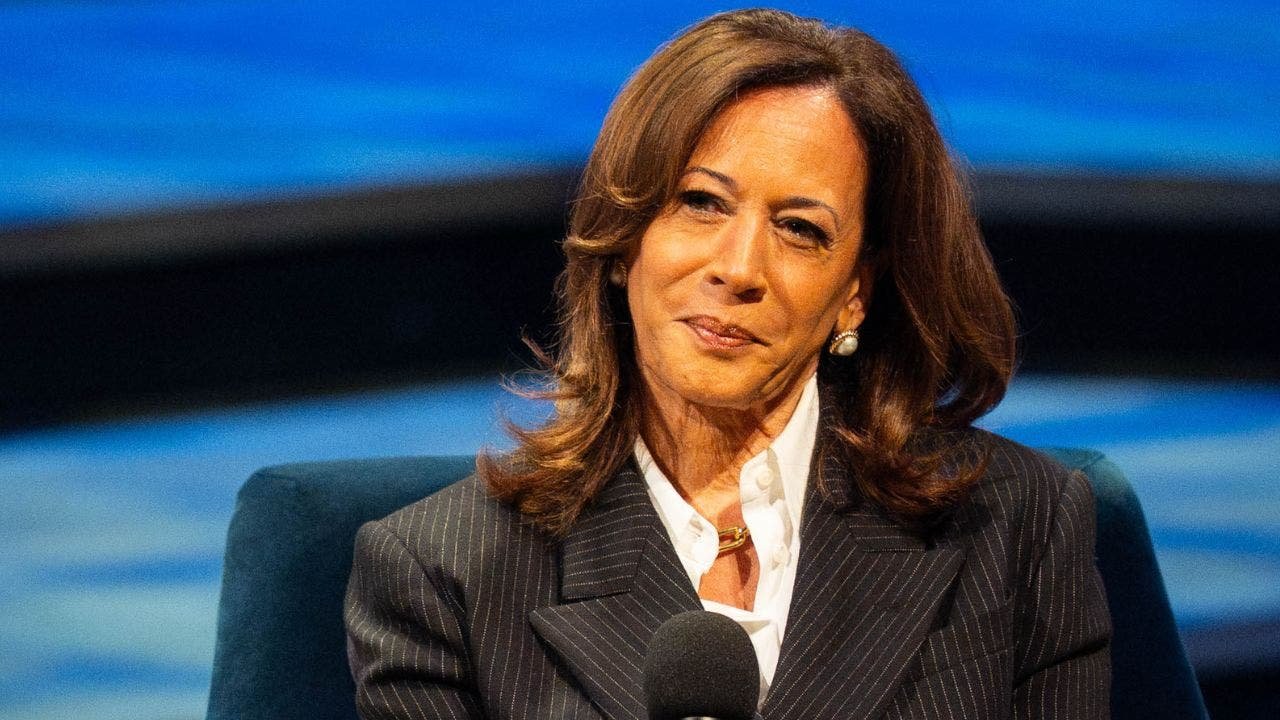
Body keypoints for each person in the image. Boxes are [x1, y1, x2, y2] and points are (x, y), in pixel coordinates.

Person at [345, 8, 1111, 719]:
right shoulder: (443, 576)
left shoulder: (1020, 527)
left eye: (800, 229)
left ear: (854, 294)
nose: (740, 267)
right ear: (624, 236)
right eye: (702, 202)